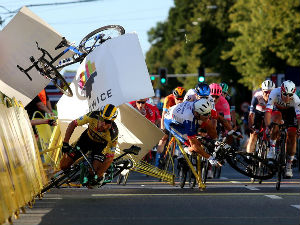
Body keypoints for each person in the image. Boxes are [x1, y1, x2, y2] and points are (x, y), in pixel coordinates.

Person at [60, 104, 119, 186]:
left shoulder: (113, 133)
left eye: (108, 122)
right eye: (102, 119)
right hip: (85, 140)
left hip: (99, 147)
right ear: (99, 116)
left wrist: (99, 175)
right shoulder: (92, 116)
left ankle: (100, 176)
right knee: (63, 166)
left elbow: (110, 156)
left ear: (112, 122)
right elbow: (73, 123)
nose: (103, 124)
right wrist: (65, 143)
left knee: (92, 173)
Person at [163, 98, 221, 166]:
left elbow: (219, 118)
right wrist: (210, 158)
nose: (208, 116)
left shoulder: (200, 106)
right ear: (196, 113)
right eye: (205, 115)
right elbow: (194, 145)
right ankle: (187, 149)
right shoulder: (188, 119)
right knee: (194, 145)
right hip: (172, 123)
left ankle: (211, 141)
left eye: (208, 114)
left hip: (183, 113)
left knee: (208, 123)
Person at [264, 80, 300, 178]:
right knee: (275, 120)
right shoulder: (274, 93)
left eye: (290, 95)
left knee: (292, 136)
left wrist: (299, 129)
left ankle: (289, 166)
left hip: (290, 113)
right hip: (278, 111)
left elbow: (299, 117)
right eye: (285, 94)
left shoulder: (296, 99)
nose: (287, 97)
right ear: (281, 91)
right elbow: (268, 112)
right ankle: (272, 150)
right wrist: (268, 127)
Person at [246, 80, 276, 154]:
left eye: (270, 92)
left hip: (269, 113)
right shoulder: (257, 96)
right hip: (258, 113)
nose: (268, 94)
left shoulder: (276, 97)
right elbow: (251, 113)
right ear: (262, 91)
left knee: (274, 130)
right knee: (253, 134)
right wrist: (250, 125)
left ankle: (272, 149)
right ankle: (249, 154)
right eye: (266, 92)